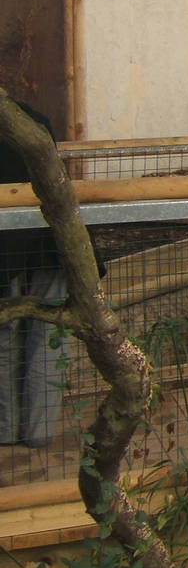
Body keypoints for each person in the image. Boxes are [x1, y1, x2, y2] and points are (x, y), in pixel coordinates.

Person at [0, 98, 70, 446]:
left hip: (10, 244)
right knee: (50, 332)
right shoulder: (33, 116)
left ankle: (6, 431)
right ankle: (38, 432)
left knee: (5, 331)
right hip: (52, 237)